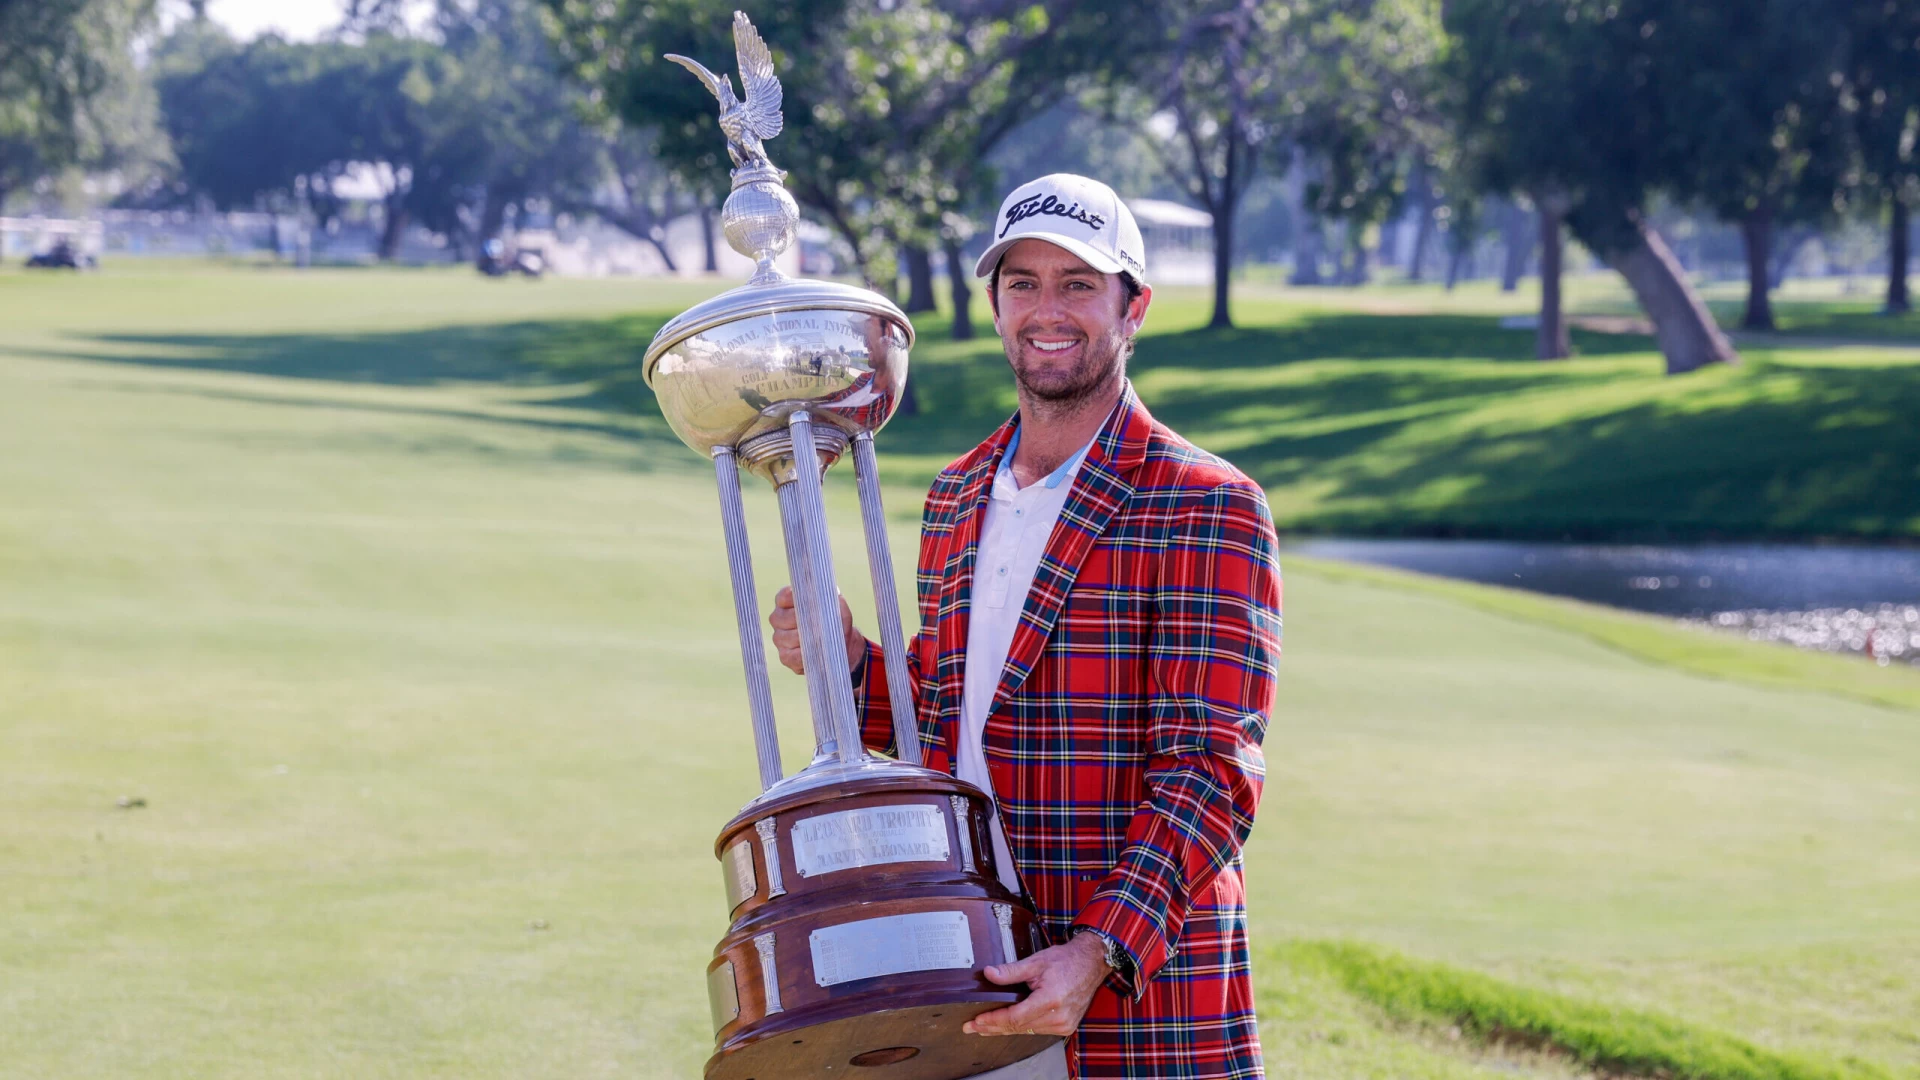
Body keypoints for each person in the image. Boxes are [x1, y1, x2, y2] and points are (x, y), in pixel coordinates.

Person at [770, 173, 1281, 1080]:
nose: (1048, 310)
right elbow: (947, 718)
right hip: (965, 971)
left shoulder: (1206, 504)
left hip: (1132, 995)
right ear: (997, 305)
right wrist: (848, 663)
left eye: (1078, 284)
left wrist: (1099, 949)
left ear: (1133, 308)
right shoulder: (957, 492)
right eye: (1023, 283)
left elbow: (1212, 773)